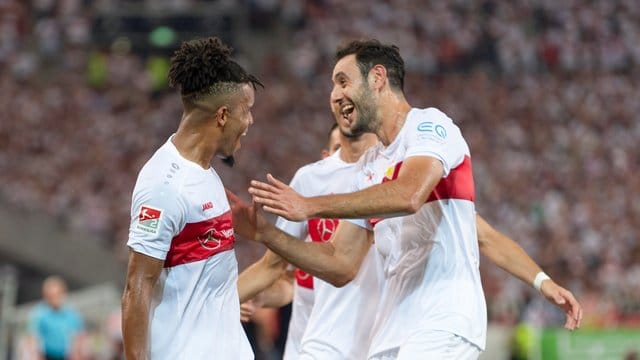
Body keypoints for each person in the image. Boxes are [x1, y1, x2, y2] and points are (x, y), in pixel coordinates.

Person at [240, 39, 583, 359]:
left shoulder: (430, 126)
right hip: (390, 332)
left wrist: (311, 205)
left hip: (443, 319)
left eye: (343, 82)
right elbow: (340, 264)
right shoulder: (369, 168)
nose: (334, 95)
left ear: (377, 78)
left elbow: (409, 194)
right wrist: (267, 234)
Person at [121, 36, 262, 360]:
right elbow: (136, 289)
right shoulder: (164, 185)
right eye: (247, 111)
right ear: (223, 115)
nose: (250, 121)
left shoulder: (204, 173)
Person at [27, 276, 85, 360]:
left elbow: (78, 338)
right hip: (46, 356)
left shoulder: (72, 314)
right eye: (51, 296)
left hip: (66, 356)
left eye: (57, 295)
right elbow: (33, 339)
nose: (55, 299)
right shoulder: (39, 314)